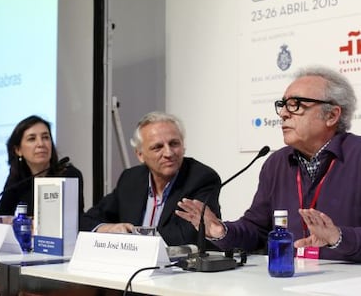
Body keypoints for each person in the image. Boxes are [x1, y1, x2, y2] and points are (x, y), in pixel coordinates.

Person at [176, 66, 361, 262]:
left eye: (295, 105)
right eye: (282, 105)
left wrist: (338, 238)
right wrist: (221, 230)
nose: (283, 113)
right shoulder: (277, 163)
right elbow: (257, 229)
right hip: (288, 282)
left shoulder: (356, 155)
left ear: (331, 115)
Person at [80, 111, 222, 246]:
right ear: (140, 155)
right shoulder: (130, 179)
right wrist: (105, 228)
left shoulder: (202, 178)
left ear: (183, 146)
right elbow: (87, 220)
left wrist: (131, 238)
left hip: (179, 268)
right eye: (157, 147)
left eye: (174, 143)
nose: (168, 153)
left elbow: (190, 234)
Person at [0, 115, 84, 224]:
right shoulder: (18, 179)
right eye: (32, 139)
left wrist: (23, 222)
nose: (41, 144)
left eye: (45, 137)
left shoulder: (69, 174)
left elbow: (70, 221)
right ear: (18, 150)